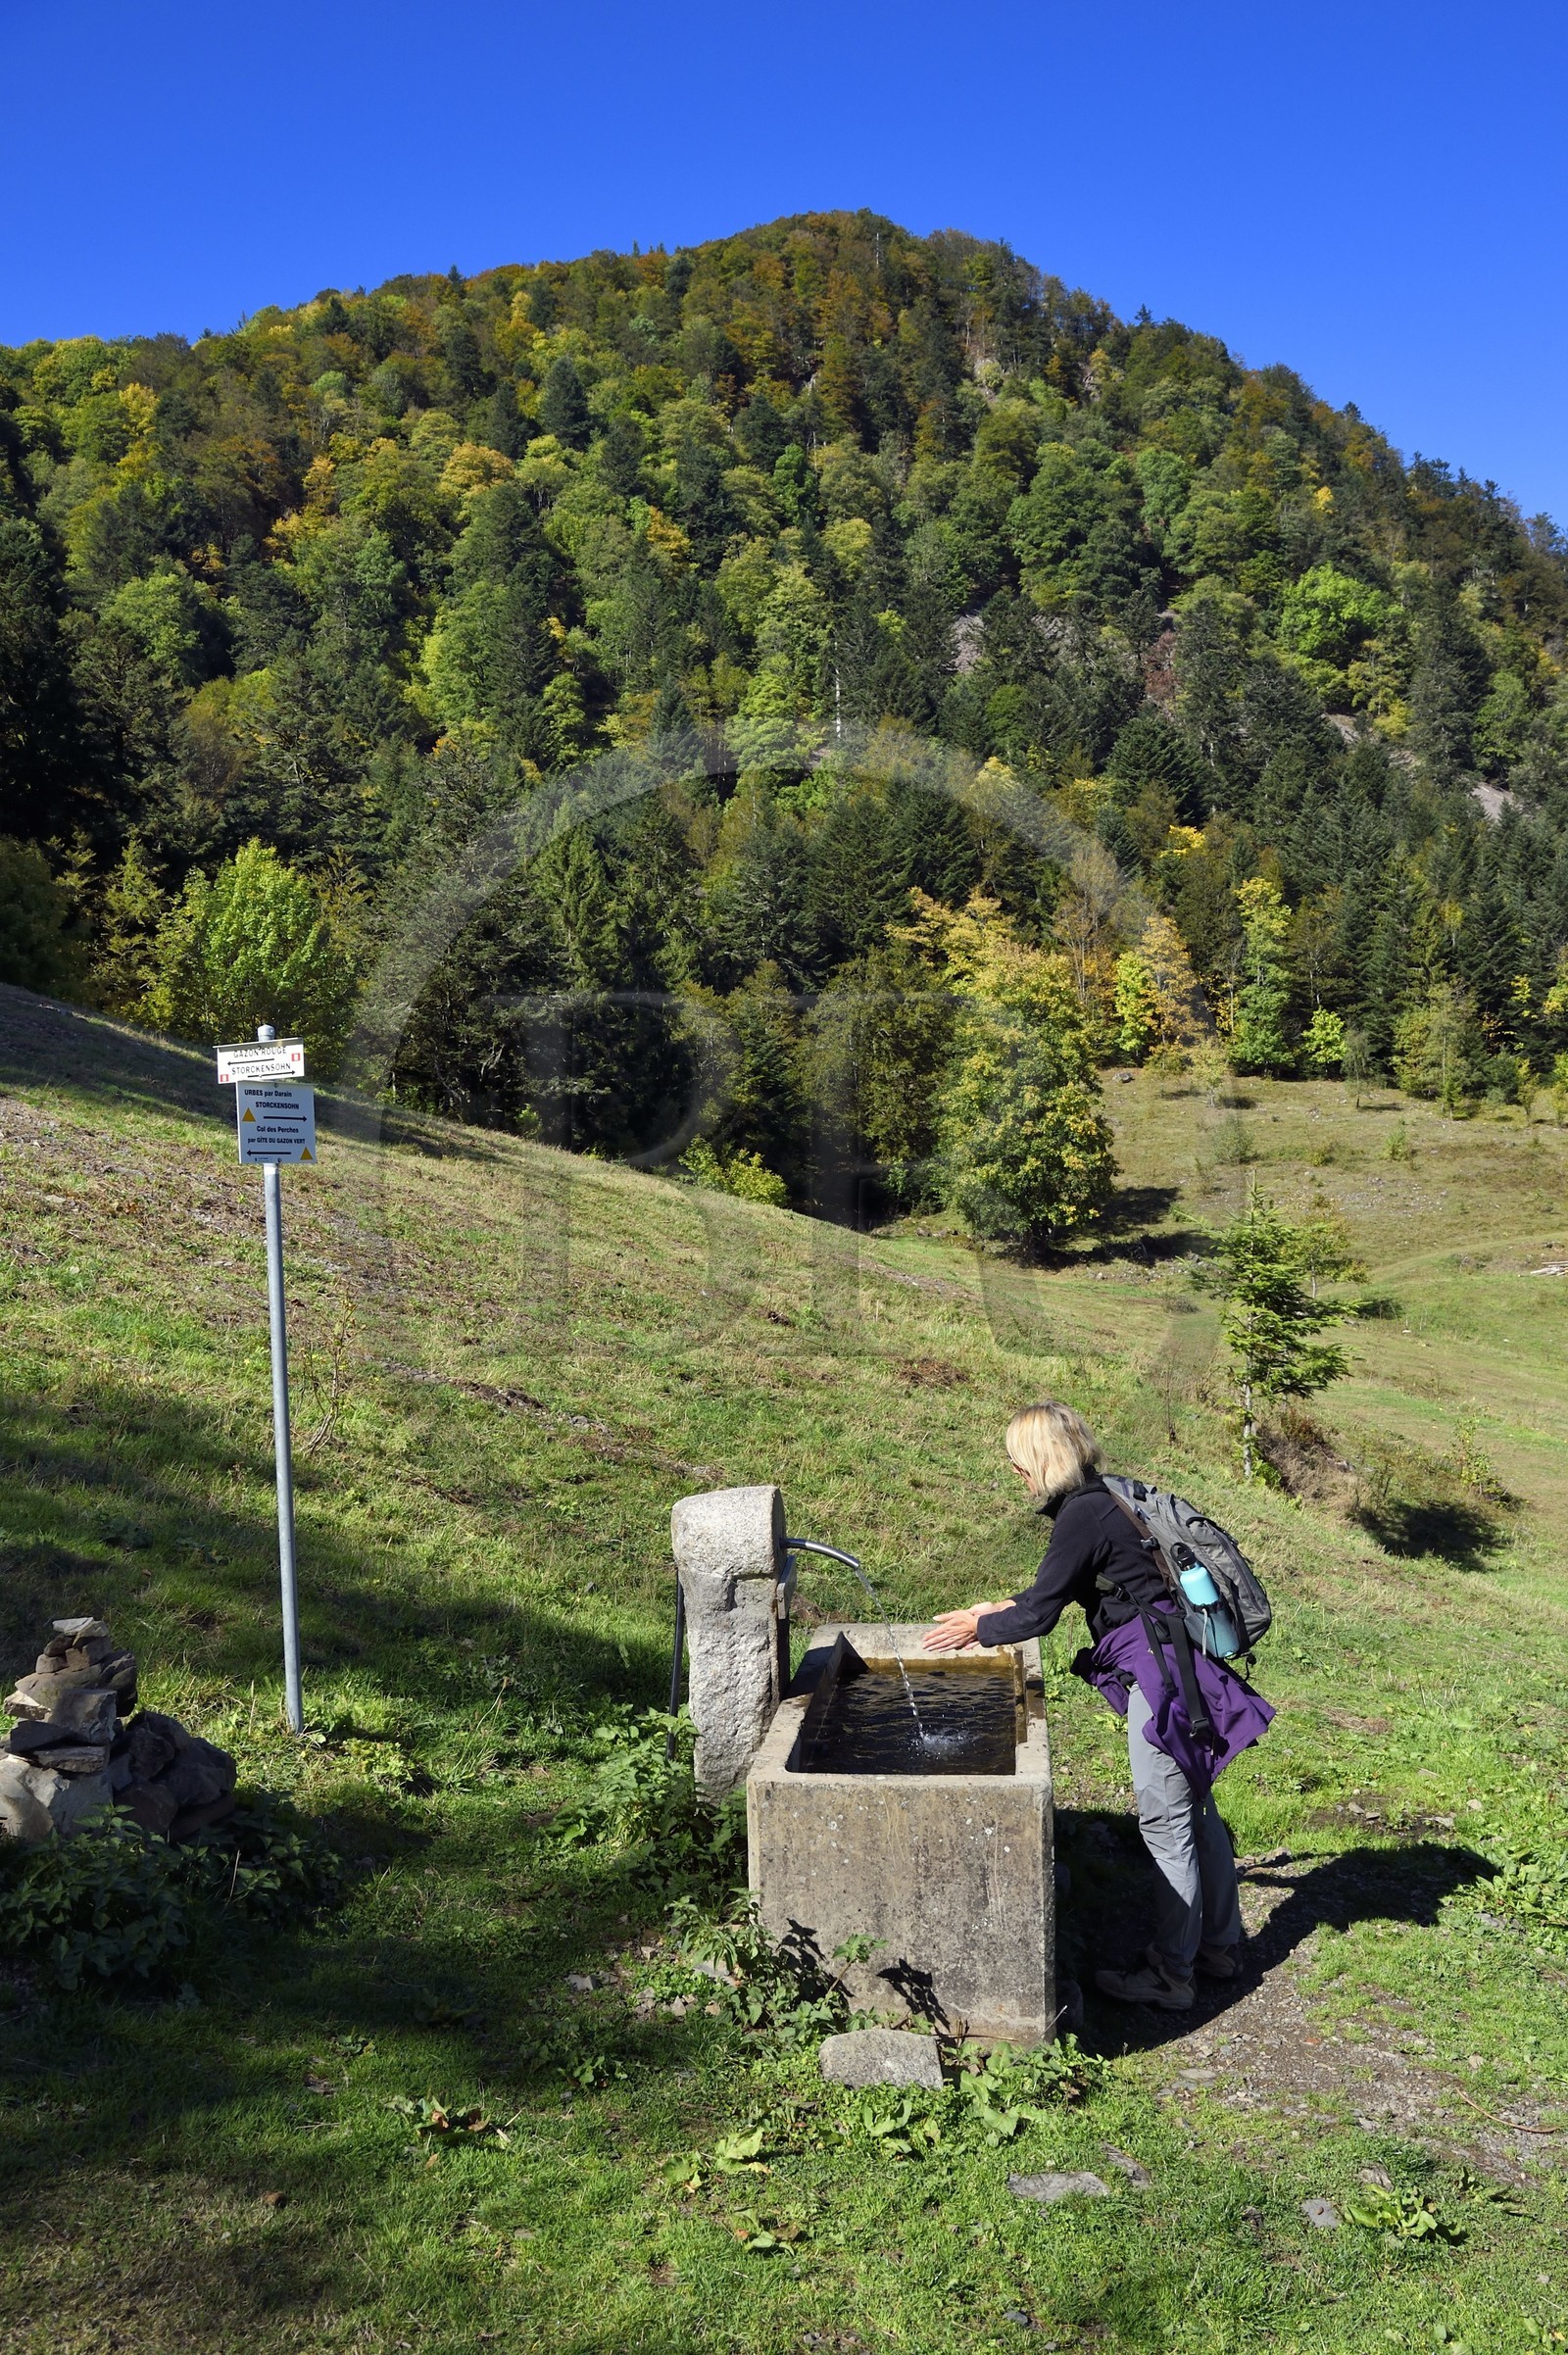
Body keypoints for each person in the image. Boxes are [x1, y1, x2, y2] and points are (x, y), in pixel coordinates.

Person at [922, 1398, 1273, 2013]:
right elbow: (1055, 1587)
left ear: (1040, 1460)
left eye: (1018, 1463)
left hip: (1162, 1682)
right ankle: (1217, 1947)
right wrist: (990, 1611)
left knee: (1168, 1825)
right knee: (1198, 1811)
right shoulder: (1104, 1497)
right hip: (1184, 1667)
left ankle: (1172, 1975)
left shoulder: (1081, 1515)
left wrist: (979, 1630)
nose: (1016, 1475)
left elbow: (1038, 1614)